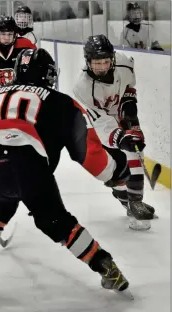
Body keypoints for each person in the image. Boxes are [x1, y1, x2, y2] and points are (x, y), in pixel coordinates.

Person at [0, 48, 131, 294]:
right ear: (49, 75)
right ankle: (105, 266)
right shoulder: (61, 102)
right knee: (56, 221)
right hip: (26, 164)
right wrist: (117, 171)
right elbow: (89, 155)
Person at [73, 34, 155, 231]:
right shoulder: (82, 87)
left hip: (118, 115)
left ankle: (135, 201)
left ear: (113, 59)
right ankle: (125, 199)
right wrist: (120, 137)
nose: (101, 66)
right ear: (88, 62)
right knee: (115, 168)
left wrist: (131, 116)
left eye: (105, 61)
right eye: (96, 63)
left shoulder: (124, 65)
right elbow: (99, 121)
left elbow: (128, 89)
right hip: (96, 126)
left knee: (135, 150)